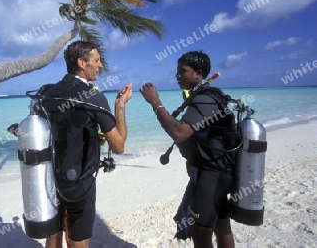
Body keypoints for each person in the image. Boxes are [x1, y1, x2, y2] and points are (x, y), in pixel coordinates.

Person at [139, 51, 236, 248]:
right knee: (221, 224)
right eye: (177, 70)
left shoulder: (206, 98)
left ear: (198, 74)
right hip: (217, 171)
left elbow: (180, 132)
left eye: (183, 71)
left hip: (213, 174)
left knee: (200, 231)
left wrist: (155, 102)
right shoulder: (204, 96)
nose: (177, 75)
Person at [42, 40, 132, 248]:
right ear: (82, 63)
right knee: (78, 238)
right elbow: (119, 147)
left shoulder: (48, 93)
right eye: (97, 60)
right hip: (80, 183)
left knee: (54, 231)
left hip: (48, 177)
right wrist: (120, 106)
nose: (100, 65)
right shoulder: (93, 96)